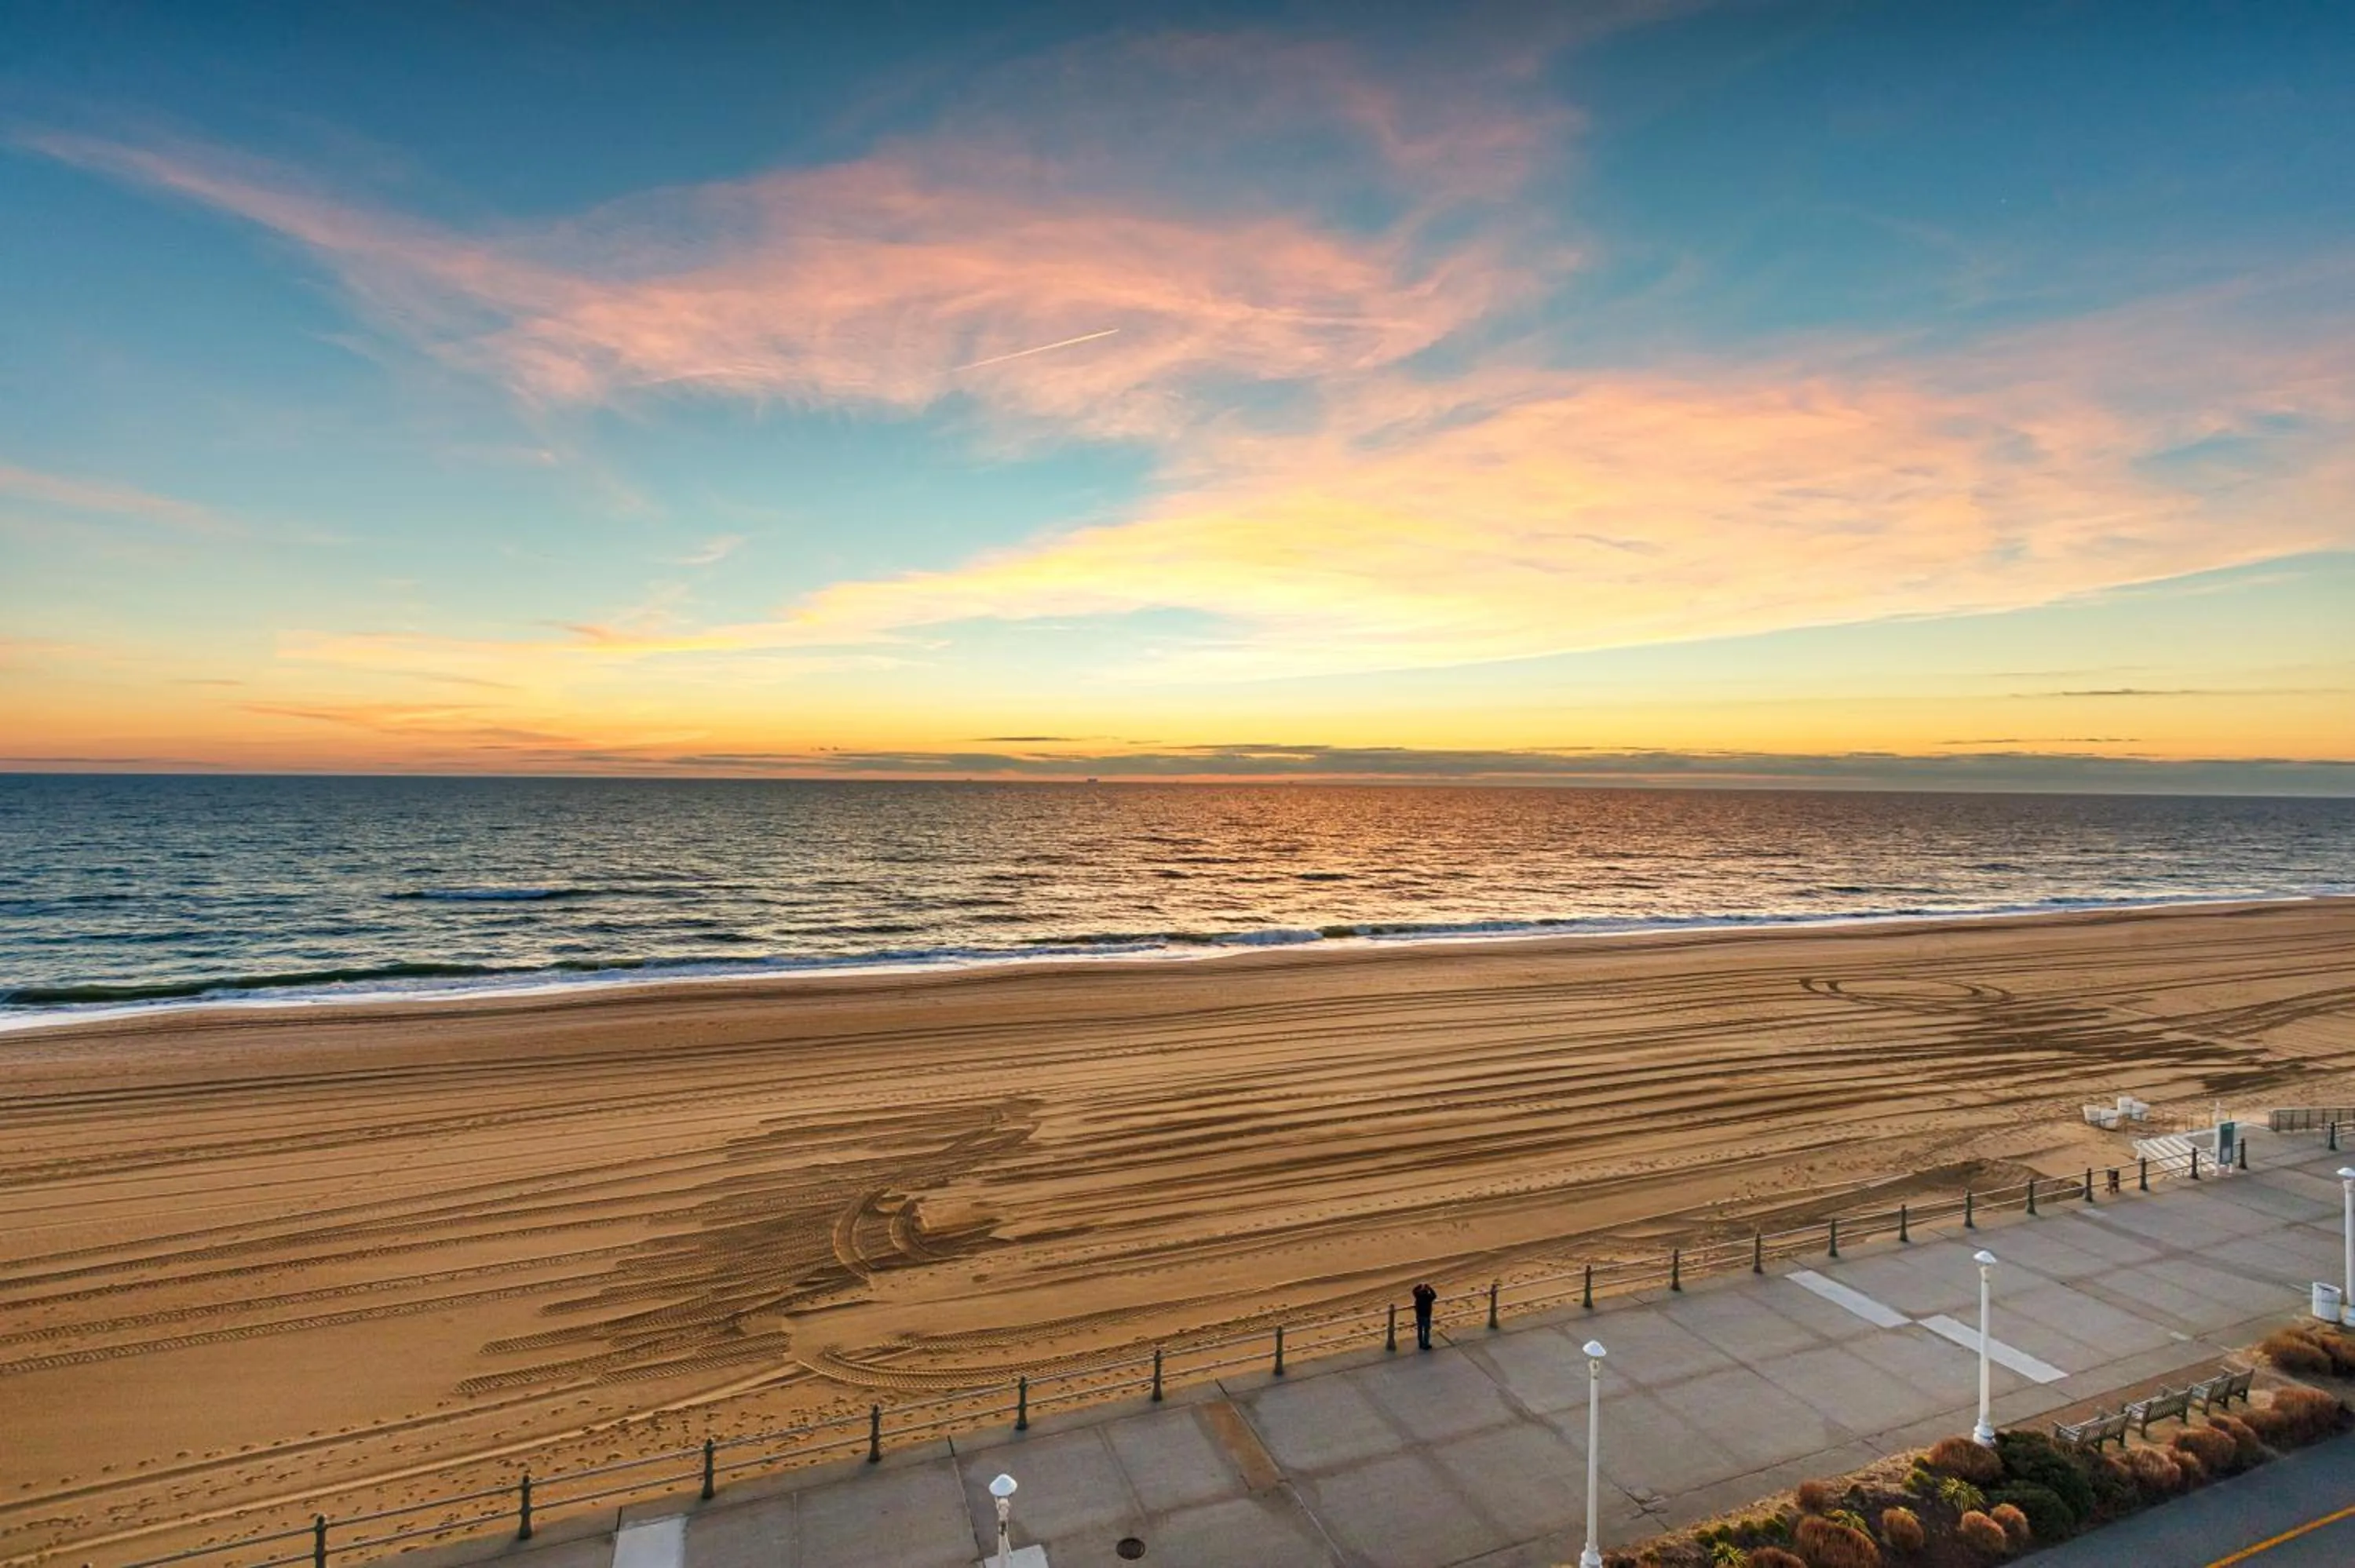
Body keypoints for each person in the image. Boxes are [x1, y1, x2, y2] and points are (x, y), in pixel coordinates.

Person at [1411, 1282, 1437, 1351]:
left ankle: (1421, 1344)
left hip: (1419, 1315)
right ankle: (1426, 1344)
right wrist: (1430, 1288)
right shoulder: (1429, 1297)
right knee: (1426, 1331)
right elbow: (1435, 1295)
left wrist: (1419, 1286)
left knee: (1420, 1330)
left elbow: (1414, 1291)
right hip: (1426, 1315)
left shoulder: (1418, 1295)